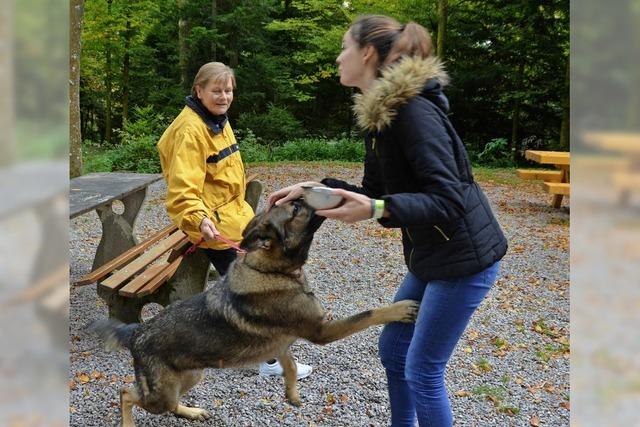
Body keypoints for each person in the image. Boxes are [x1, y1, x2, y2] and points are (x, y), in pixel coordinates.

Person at [267, 15, 507, 426]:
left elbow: (447, 199)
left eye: (344, 47)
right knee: (394, 350)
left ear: (366, 53)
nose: (339, 57)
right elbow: (373, 192)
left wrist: (378, 209)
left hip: (465, 260)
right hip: (432, 256)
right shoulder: (380, 118)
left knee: (423, 369)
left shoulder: (413, 112)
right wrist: (312, 190)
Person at [157, 61, 312, 380]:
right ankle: (271, 360)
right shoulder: (191, 130)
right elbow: (183, 189)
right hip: (212, 224)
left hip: (233, 214)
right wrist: (198, 219)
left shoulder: (215, 119)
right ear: (198, 91)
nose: (224, 96)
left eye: (228, 90)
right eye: (216, 90)